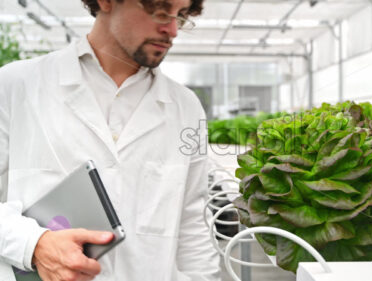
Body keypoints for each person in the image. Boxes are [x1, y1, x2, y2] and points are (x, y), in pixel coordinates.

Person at [0, 0, 221, 280]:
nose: (173, 29)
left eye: (181, 15)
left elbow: (193, 225)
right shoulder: (15, 85)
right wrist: (33, 244)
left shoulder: (187, 107)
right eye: (161, 11)